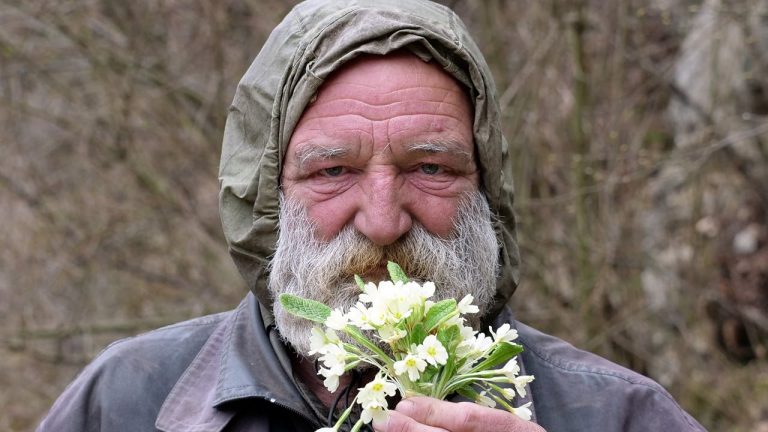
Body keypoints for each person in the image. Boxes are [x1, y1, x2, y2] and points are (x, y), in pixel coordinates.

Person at [38, 1, 706, 431]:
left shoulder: (619, 415)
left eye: (431, 168)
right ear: (265, 200)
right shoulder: (129, 401)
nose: (383, 222)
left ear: (487, 191)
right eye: (332, 172)